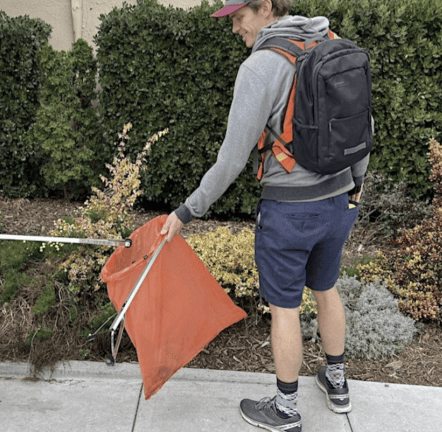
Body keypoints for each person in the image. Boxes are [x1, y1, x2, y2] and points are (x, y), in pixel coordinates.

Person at [160, 1, 368, 431]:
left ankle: (286, 410)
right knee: (327, 289)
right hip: (338, 201)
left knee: (285, 307)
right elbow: (362, 122)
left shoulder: (260, 67)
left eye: (239, 17)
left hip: (289, 211)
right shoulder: (330, 42)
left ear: (267, 7)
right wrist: (356, 183)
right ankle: (337, 382)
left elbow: (232, 156)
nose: (235, 28)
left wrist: (187, 210)